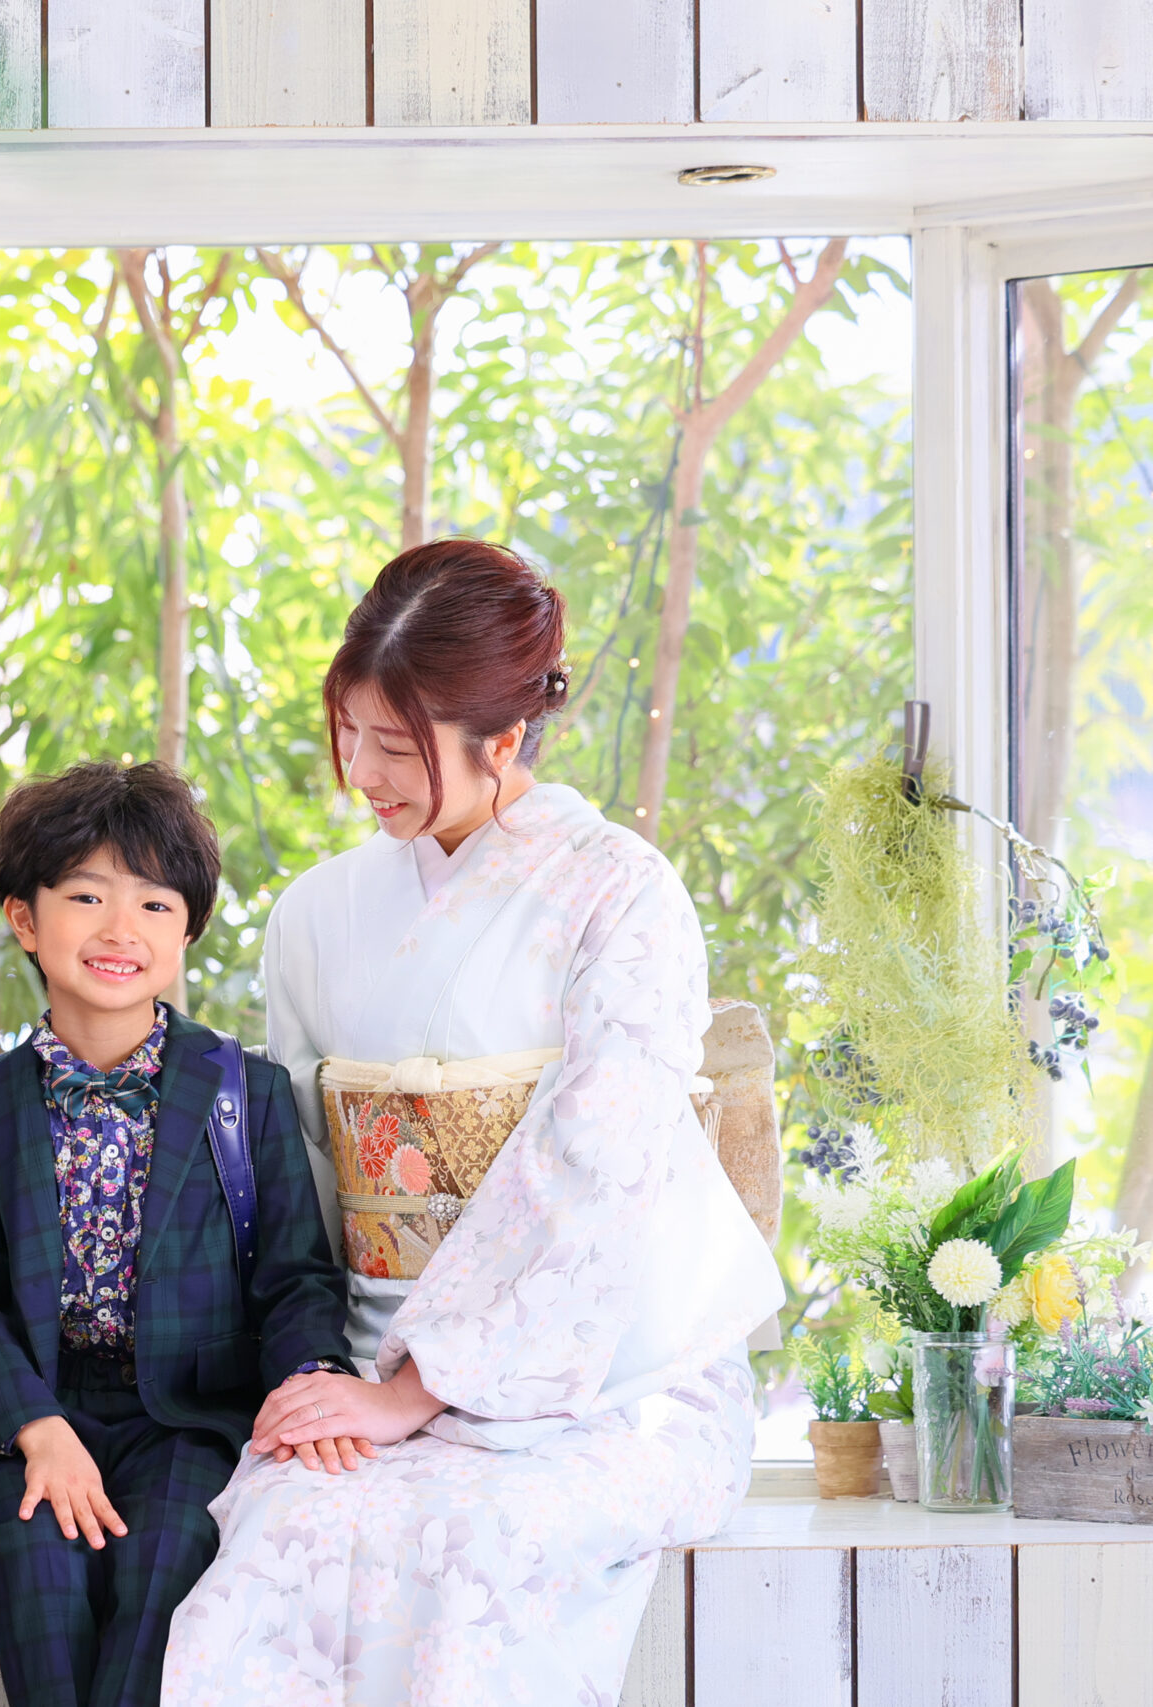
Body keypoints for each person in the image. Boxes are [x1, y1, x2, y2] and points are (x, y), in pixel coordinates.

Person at [163, 540, 784, 1706]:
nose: (361, 772)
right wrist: (331, 1375)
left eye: (396, 747)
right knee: (280, 1538)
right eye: (349, 733)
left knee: (472, 1546)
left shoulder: (620, 892)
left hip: (610, 1373)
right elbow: (300, 1185)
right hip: (370, 1353)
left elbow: (598, 1168)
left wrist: (424, 1389)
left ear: (503, 741)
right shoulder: (315, 915)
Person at [0, 762, 351, 1707]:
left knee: (164, 1571)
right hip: (32, 1416)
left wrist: (311, 1380)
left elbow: (294, 1276)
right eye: (87, 897)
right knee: (41, 1584)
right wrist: (36, 1425)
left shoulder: (245, 1093)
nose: (122, 929)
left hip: (190, 1418)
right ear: (25, 918)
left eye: (156, 904)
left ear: (186, 931)